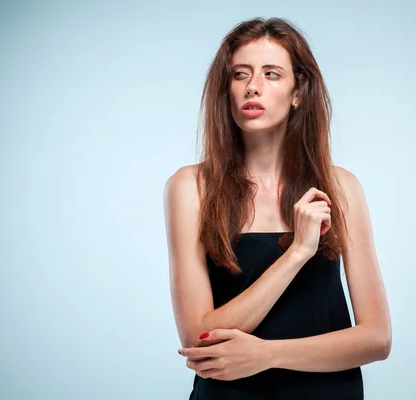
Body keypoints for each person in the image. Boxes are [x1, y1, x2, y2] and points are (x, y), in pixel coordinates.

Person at [164, 17, 391, 400]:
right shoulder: (192, 188)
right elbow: (199, 339)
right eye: (240, 74)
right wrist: (298, 252)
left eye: (271, 74)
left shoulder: (341, 188)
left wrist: (267, 355)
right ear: (227, 90)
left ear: (297, 91)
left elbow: (376, 338)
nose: (253, 86)